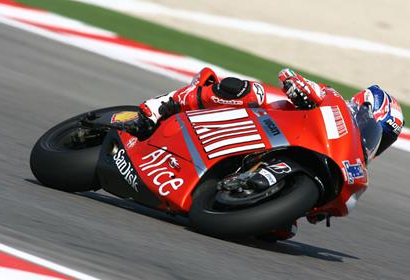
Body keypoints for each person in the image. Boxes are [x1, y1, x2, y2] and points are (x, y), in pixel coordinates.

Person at [129, 67, 405, 239]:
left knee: (282, 232)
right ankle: (159, 106)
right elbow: (291, 78)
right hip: (267, 123)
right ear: (361, 107)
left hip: (287, 156)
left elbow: (321, 210)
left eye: (383, 138)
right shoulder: (331, 102)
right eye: (374, 128)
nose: (374, 139)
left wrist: (321, 208)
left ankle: (238, 193)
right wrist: (298, 86)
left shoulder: (351, 154)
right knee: (247, 90)